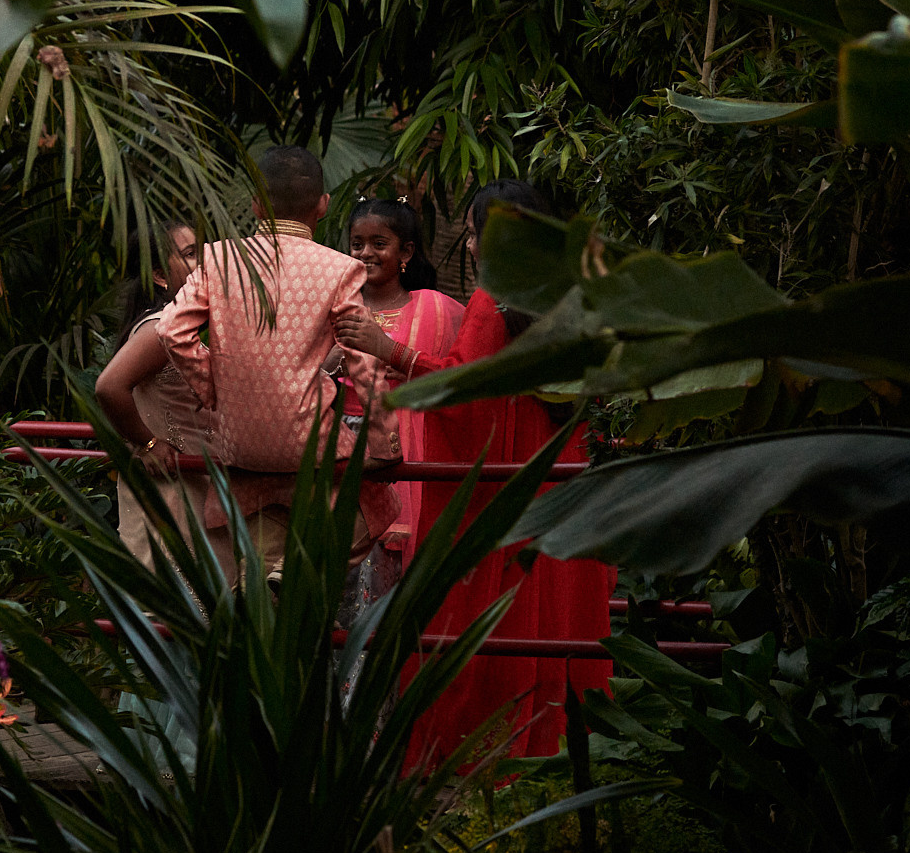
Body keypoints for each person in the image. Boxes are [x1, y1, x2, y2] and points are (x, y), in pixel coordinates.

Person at [336, 179, 616, 767]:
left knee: (487, 621)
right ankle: (550, 752)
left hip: (508, 484)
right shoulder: (570, 296)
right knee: (544, 617)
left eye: (472, 232)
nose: (467, 247)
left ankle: (479, 754)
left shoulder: (494, 299)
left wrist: (385, 352)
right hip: (555, 470)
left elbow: (463, 394)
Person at [96, 146, 393, 586]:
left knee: (249, 543)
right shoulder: (341, 269)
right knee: (379, 504)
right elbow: (362, 358)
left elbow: (174, 331)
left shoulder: (217, 259)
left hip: (234, 446)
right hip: (306, 443)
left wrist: (215, 390)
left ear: (255, 204)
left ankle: (269, 580)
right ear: (323, 205)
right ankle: (291, 572)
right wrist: (386, 442)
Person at [342, 197, 464, 566]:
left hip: (408, 455)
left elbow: (454, 374)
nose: (366, 253)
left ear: (406, 251)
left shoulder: (435, 308)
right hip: (345, 451)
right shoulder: (336, 308)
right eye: (357, 244)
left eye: (380, 244)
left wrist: (403, 360)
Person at [94, 221, 211, 573]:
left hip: (193, 486)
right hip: (172, 491)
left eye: (200, 252)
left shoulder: (179, 326)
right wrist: (147, 444)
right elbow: (108, 388)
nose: (202, 264)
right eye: (190, 255)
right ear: (160, 276)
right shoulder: (161, 328)